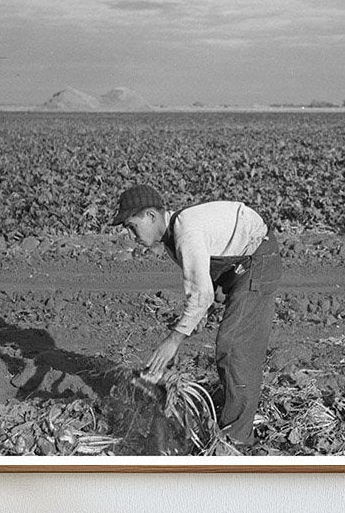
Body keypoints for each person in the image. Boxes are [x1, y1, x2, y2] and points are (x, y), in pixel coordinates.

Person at [116, 184, 282, 447]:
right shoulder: (172, 238)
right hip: (237, 265)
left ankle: (237, 440)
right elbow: (203, 286)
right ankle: (232, 410)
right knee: (230, 345)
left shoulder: (185, 232)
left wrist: (173, 341)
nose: (130, 234)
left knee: (235, 347)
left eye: (132, 225)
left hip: (256, 260)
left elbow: (201, 295)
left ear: (150, 216)